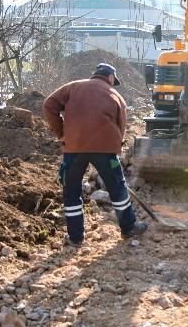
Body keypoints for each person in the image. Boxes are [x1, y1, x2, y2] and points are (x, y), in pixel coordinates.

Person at [43, 63, 147, 246]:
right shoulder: (116, 96)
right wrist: (116, 146)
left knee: (71, 191)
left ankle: (75, 237)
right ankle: (129, 228)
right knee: (117, 188)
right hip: (105, 149)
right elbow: (121, 127)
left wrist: (62, 133)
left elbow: (49, 105)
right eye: (113, 81)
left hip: (74, 148)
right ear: (110, 78)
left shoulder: (72, 87)